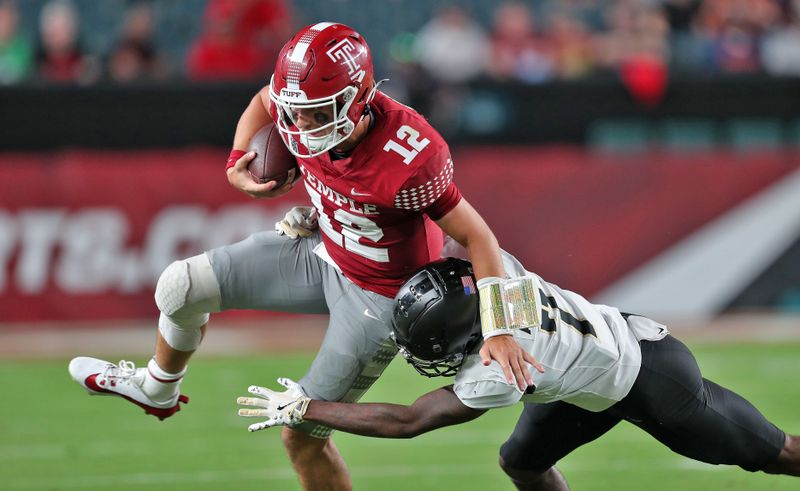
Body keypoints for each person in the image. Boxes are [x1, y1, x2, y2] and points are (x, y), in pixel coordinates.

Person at [68, 22, 536, 491]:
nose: (299, 127)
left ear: (360, 98)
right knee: (179, 286)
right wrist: (236, 161)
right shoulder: (296, 110)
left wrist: (500, 328)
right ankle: (157, 388)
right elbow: (263, 102)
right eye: (296, 112)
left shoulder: (411, 153)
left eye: (317, 113)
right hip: (323, 253)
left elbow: (479, 236)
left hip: (378, 299)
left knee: (301, 436)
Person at [237, 251, 800, 490]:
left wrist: (307, 408)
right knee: (522, 462)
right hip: (584, 378)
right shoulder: (495, 275)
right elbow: (451, 236)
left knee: (773, 455)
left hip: (652, 379)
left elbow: (409, 420)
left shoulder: (501, 368)